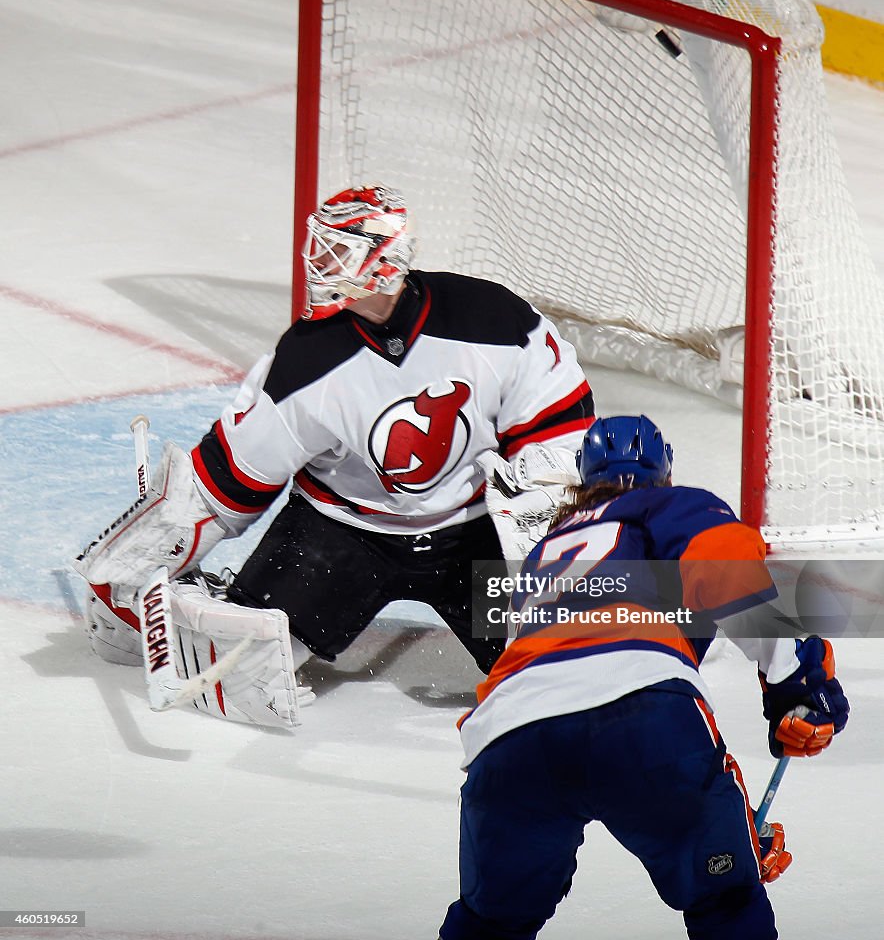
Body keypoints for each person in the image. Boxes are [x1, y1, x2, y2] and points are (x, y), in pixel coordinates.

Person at [75, 184, 595, 728]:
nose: (319, 263)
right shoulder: (307, 358)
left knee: (569, 673)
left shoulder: (492, 319)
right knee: (240, 670)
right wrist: (134, 575)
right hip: (340, 535)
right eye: (318, 247)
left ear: (387, 257)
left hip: (473, 528)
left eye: (338, 249)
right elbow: (224, 485)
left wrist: (544, 531)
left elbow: (560, 427)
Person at [439, 414, 850, 940]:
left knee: (488, 923)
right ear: (667, 472)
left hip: (508, 737)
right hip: (641, 715)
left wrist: (729, 817)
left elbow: (572, 701)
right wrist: (797, 680)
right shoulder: (672, 506)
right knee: (725, 901)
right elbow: (724, 579)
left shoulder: (546, 551)